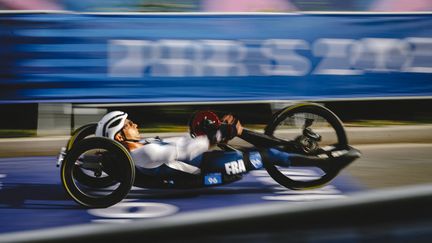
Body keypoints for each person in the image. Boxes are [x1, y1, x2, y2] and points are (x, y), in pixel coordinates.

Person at [95, 111, 291, 186]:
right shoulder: (145, 153)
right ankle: (317, 160)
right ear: (119, 136)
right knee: (270, 155)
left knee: (236, 131)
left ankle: (289, 147)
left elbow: (180, 144)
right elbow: (186, 150)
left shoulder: (142, 146)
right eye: (129, 124)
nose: (135, 124)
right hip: (209, 167)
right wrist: (219, 134)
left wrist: (208, 132)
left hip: (202, 155)